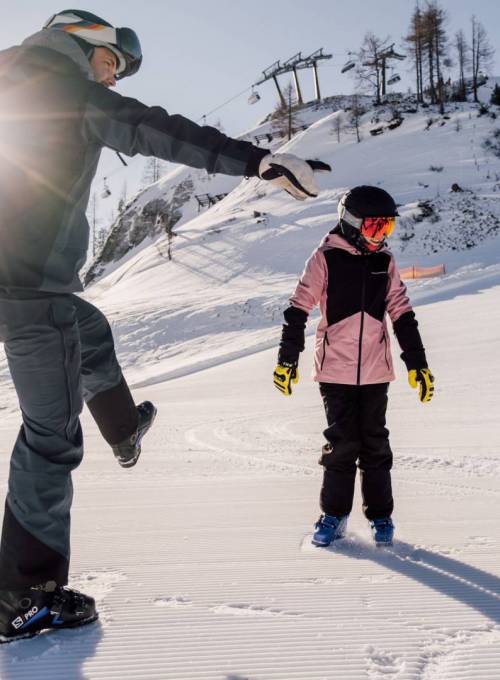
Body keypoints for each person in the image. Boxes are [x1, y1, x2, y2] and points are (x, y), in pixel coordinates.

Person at [0, 9, 329, 642]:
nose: (113, 80)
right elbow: (157, 131)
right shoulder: (63, 91)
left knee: (87, 326)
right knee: (49, 438)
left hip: (26, 290)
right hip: (27, 290)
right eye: (110, 65)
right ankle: (24, 597)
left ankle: (123, 428)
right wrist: (258, 161)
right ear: (82, 44)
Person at [273, 186, 434, 548]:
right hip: (335, 370)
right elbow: (297, 309)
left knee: (375, 443)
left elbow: (402, 313)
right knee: (342, 444)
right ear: (351, 223)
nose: (381, 238)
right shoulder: (325, 258)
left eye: (387, 229)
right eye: (376, 228)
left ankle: (380, 516)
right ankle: (334, 514)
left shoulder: (384, 262)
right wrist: (287, 358)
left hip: (376, 370)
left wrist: (417, 364)